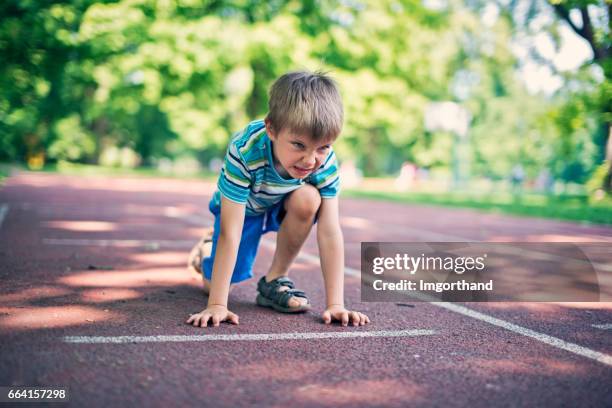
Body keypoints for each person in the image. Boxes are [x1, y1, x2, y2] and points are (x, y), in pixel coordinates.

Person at [186, 71, 370, 328]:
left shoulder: (324, 161)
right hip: (244, 208)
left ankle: (275, 280)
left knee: (309, 197)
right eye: (298, 145)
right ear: (271, 129)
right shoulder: (245, 149)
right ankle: (206, 250)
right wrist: (217, 305)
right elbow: (232, 231)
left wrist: (336, 304)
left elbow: (329, 231)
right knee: (213, 285)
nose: (310, 160)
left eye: (322, 147)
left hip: (281, 201)